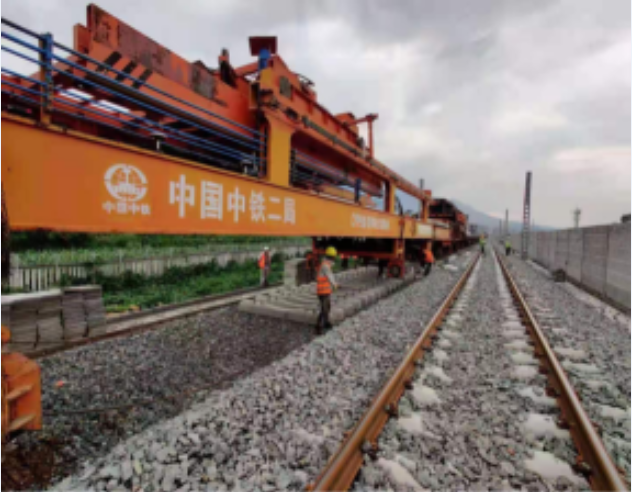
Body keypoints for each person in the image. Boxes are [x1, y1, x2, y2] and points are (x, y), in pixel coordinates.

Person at [316, 247, 339, 335]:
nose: (334, 258)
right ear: (331, 257)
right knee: (324, 309)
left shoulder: (326, 264)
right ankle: (318, 327)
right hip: (322, 292)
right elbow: (330, 276)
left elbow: (330, 271)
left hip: (325, 291)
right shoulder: (325, 266)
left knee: (327, 307)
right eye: (333, 257)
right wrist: (334, 284)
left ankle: (326, 322)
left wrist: (333, 285)